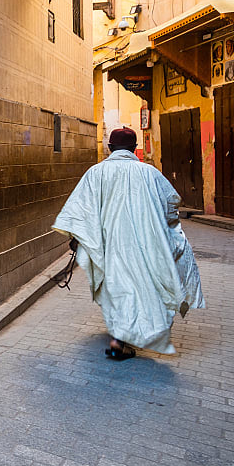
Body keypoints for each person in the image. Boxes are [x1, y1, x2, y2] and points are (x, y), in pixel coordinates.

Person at [53, 127, 205, 360]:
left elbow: (80, 211)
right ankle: (122, 339)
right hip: (145, 245)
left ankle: (119, 339)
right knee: (138, 288)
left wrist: (77, 239)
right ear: (134, 148)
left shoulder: (96, 173)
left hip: (109, 246)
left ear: (110, 148)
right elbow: (172, 202)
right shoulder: (149, 173)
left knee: (117, 289)